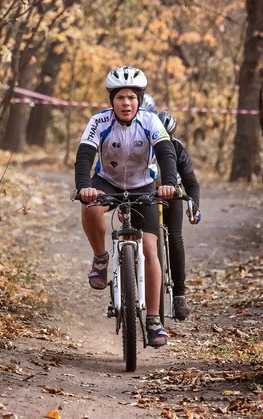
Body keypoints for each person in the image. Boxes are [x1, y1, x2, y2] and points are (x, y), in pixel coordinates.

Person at [74, 65, 178, 348]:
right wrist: (84, 186)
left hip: (143, 184)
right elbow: (84, 155)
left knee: (149, 247)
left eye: (132, 97)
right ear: (112, 101)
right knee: (91, 207)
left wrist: (169, 183)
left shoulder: (151, 121)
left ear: (139, 99)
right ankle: (100, 259)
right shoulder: (99, 121)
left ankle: (154, 319)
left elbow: (166, 153)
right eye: (120, 97)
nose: (126, 103)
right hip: (106, 182)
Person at [157, 110, 201, 320]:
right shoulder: (138, 144)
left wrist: (194, 206)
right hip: (144, 193)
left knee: (174, 237)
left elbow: (191, 183)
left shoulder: (178, 148)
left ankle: (179, 296)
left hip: (172, 194)